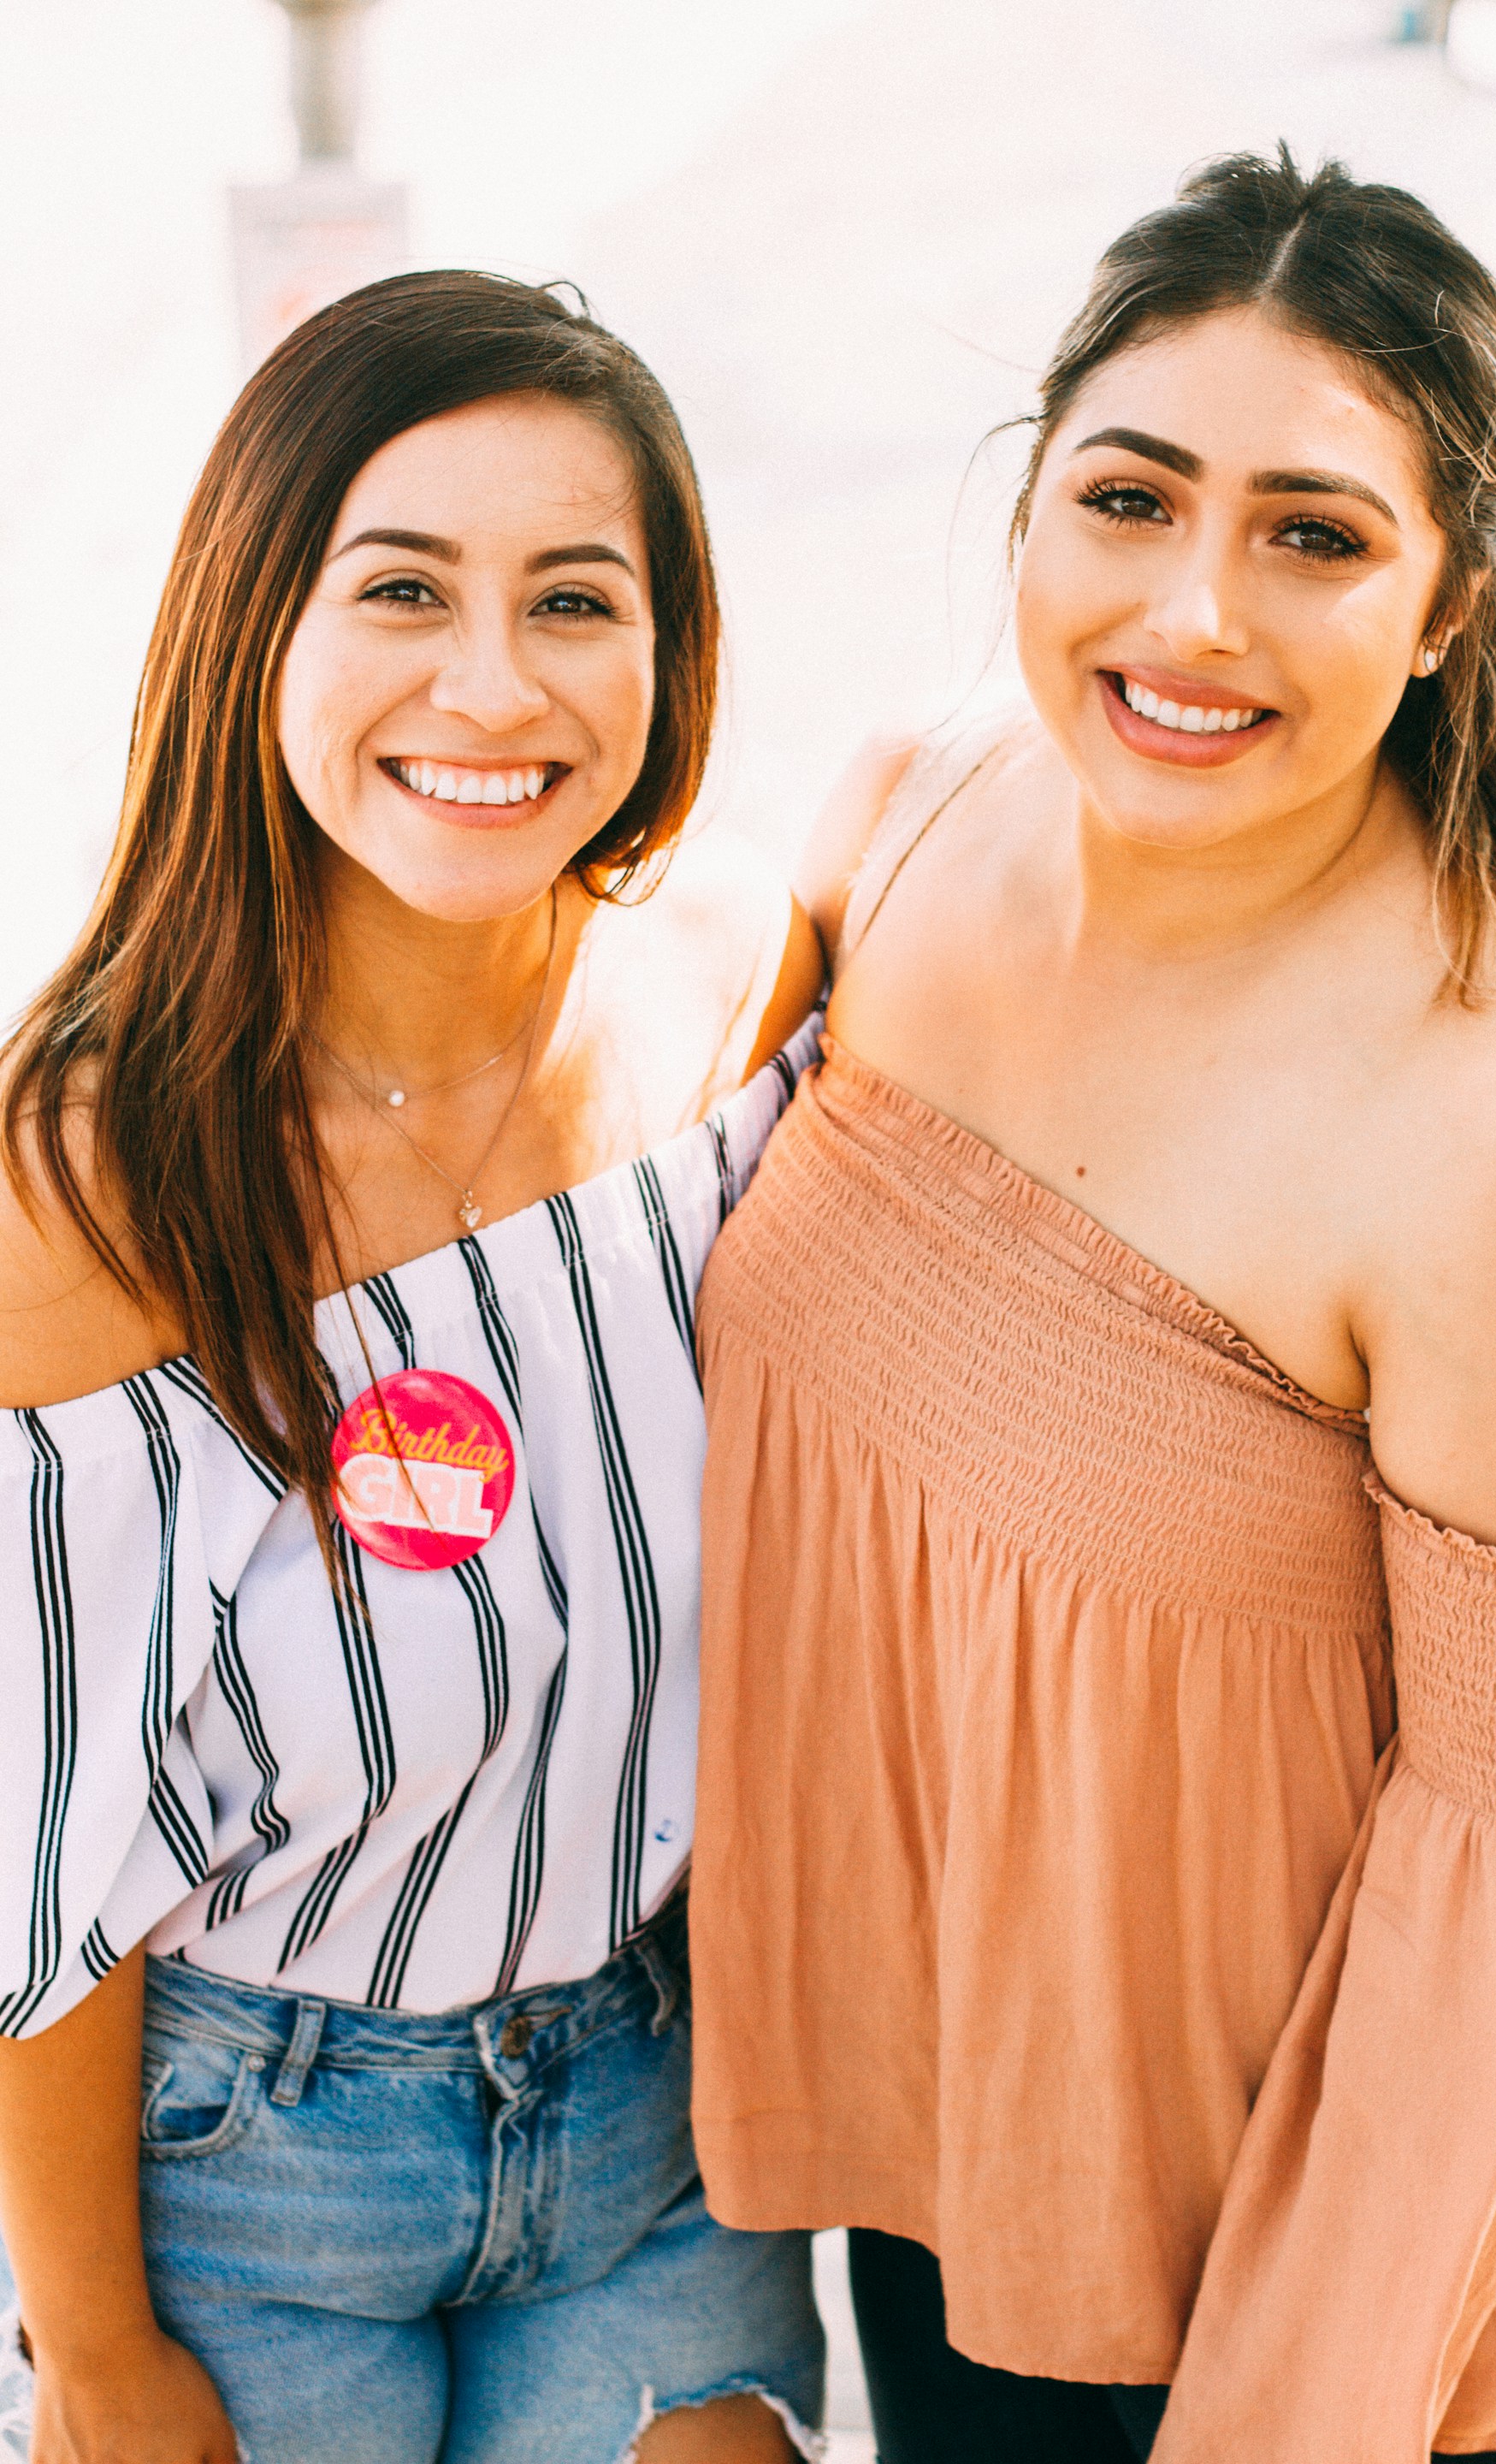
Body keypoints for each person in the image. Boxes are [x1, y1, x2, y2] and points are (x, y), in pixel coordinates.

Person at [689, 148, 1496, 2464]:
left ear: (1449, 606)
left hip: (1299, 2311)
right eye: (1131, 498)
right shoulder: (904, 820)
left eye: (1314, 534)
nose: (1195, 611)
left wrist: (1287, 2411)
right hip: (945, 2191)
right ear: (1032, 509)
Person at [0, 270, 825, 2464]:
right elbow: (39, 1860)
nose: (493, 683)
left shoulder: (741, 982)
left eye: (576, 598)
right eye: (401, 589)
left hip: (656, 2104)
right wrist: (91, 2352)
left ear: (669, 650)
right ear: (256, 623)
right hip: (248, 2150)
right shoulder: (97, 1175)